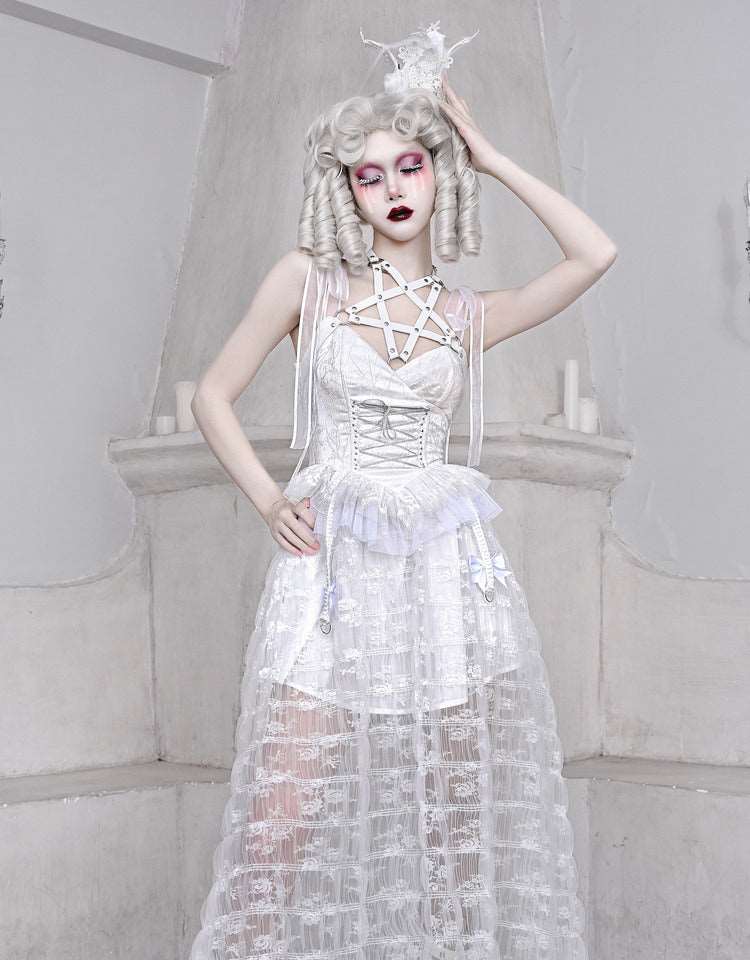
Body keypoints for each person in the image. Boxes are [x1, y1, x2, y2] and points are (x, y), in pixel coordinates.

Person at [188, 22, 615, 960]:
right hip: (332, 565)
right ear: (346, 189)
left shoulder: (465, 316)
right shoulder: (307, 283)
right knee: (281, 818)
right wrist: (269, 500)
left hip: (445, 570)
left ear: (438, 174)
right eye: (369, 174)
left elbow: (595, 254)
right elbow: (213, 394)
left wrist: (493, 157)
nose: (391, 189)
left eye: (411, 166)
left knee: (453, 828)